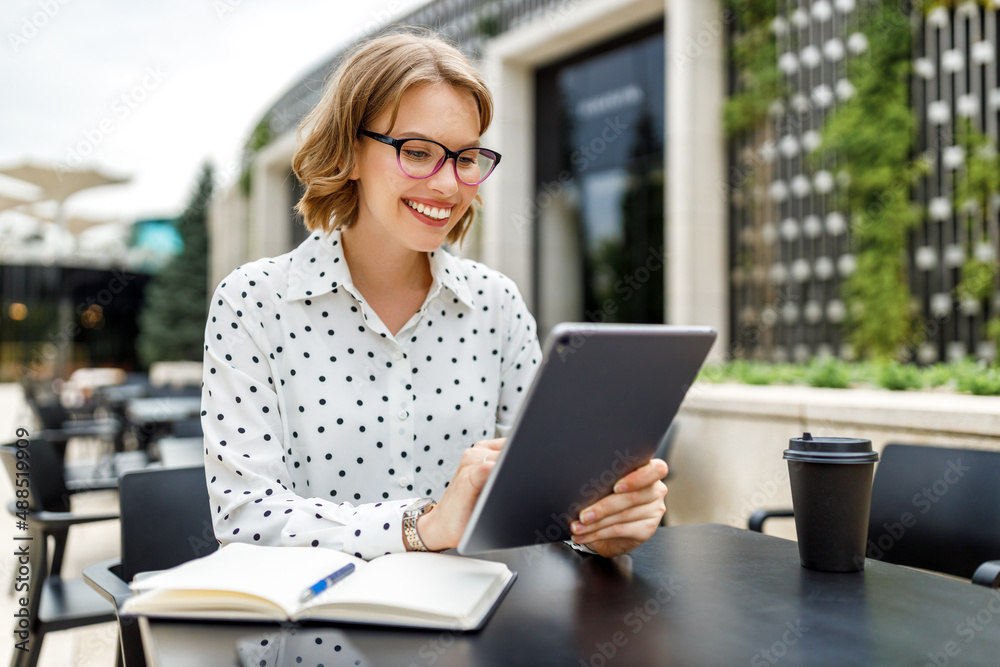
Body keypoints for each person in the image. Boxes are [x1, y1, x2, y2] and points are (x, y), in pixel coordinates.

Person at [201, 30, 668, 561]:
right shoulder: (252, 301)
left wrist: (596, 526)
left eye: (466, 157)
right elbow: (245, 517)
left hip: (480, 621)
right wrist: (421, 525)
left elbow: (540, 499)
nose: (448, 184)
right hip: (317, 629)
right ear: (350, 152)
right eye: (417, 152)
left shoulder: (497, 303)